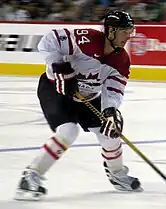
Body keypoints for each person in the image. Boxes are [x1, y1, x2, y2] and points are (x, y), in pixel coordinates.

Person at [14, 10, 142, 201]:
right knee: (68, 132)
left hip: (88, 97)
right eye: (124, 31)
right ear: (111, 31)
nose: (128, 36)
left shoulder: (122, 59)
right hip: (55, 91)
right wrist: (57, 66)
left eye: (130, 31)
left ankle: (117, 174)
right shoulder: (86, 40)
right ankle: (30, 177)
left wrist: (110, 110)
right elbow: (48, 41)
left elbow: (114, 89)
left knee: (111, 130)